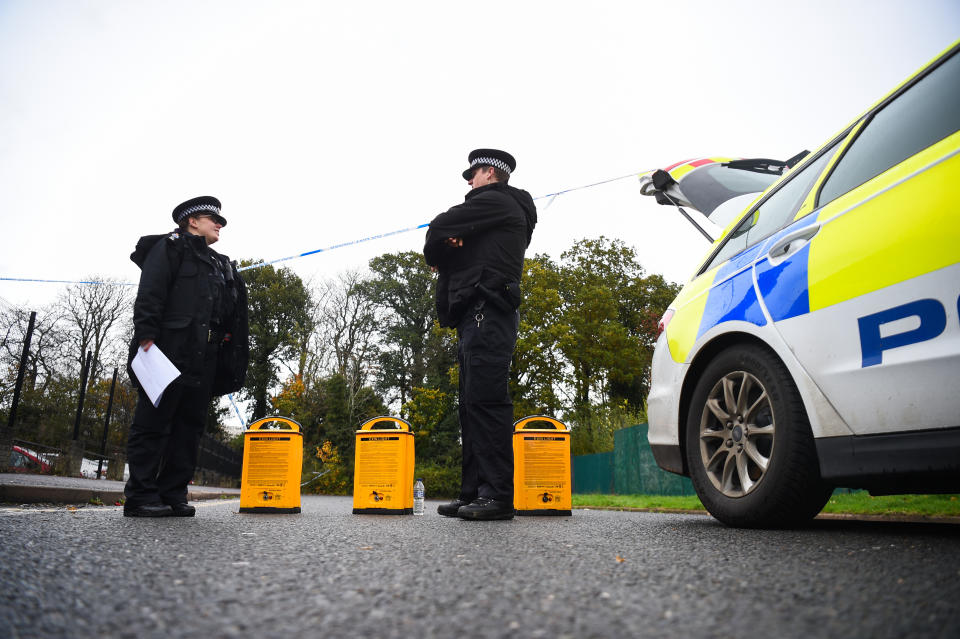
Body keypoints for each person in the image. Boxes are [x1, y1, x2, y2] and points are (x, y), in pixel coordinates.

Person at [424, 149, 537, 520]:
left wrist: (451, 238)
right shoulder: (492, 215)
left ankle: (497, 496)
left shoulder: (498, 202)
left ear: (490, 172)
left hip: (489, 310)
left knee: (487, 402)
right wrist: (453, 244)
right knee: (471, 404)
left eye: (473, 174)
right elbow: (441, 249)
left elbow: (439, 228)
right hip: (475, 313)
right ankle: (473, 492)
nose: (469, 181)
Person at [123, 196, 249, 517]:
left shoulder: (220, 263)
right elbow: (151, 293)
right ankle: (141, 496)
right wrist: (146, 338)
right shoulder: (170, 248)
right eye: (213, 219)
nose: (220, 225)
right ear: (192, 221)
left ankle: (172, 493)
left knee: (190, 426)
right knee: (153, 422)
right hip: (167, 349)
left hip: (205, 356)